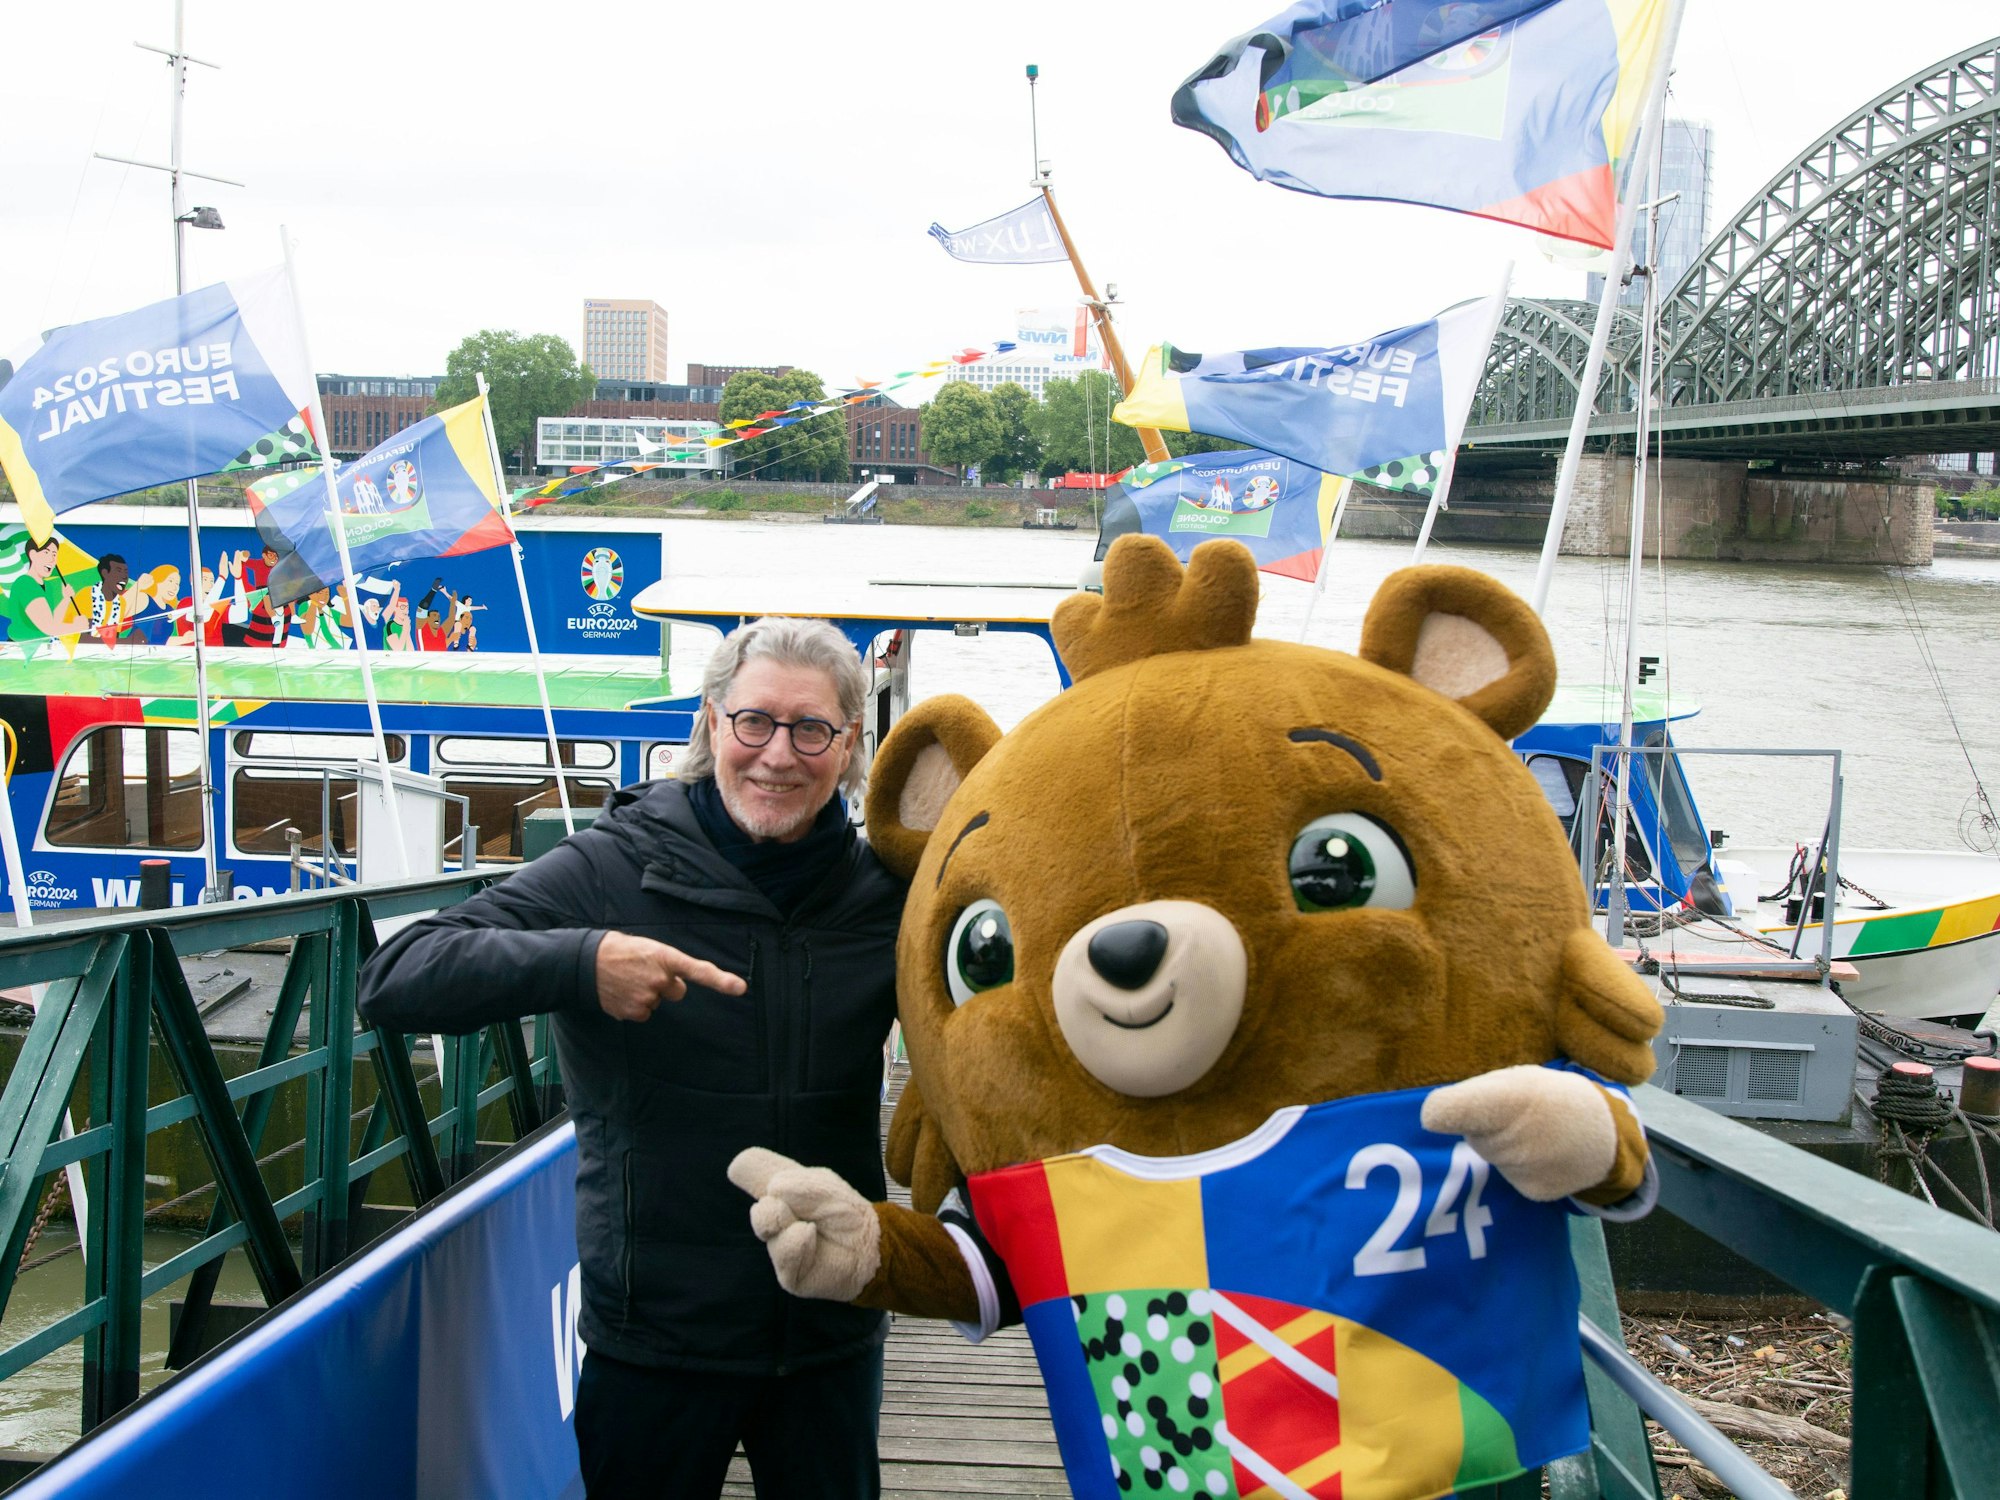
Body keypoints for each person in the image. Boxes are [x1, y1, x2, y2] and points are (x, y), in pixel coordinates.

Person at [356, 616, 902, 1500]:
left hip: (829, 1328)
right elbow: (397, 976)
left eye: (812, 731)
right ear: (711, 722)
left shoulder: (884, 894)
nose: (778, 755)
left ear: (848, 748)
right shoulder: (613, 869)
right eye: (754, 722)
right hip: (657, 1333)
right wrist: (581, 961)